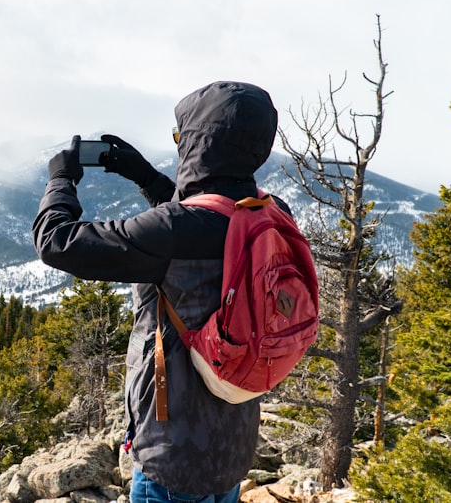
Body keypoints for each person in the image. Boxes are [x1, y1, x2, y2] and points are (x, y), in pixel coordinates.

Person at [33, 81, 285, 503]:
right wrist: (144, 176)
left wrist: (60, 179)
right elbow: (209, 209)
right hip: (234, 443)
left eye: (180, 137)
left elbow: (56, 241)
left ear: (199, 144)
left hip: (173, 462)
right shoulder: (268, 215)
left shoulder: (174, 231)